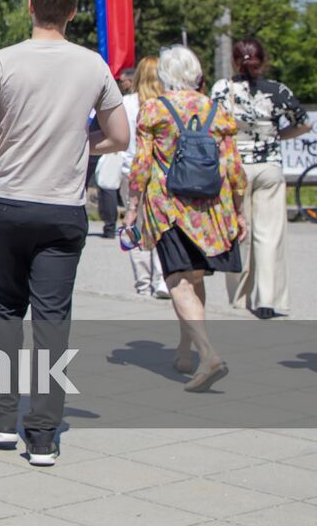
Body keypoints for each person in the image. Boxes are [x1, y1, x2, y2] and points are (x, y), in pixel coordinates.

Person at [0, 0, 128, 467]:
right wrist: (82, 144)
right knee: (53, 320)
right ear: (74, 12)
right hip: (63, 206)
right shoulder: (93, 65)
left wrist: (9, 146)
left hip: (11, 201)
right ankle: (42, 434)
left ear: (30, 5)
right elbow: (119, 136)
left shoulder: (1, 61)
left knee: (5, 309)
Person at [125, 45, 247, 390]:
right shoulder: (218, 111)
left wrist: (132, 209)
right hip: (211, 208)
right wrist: (240, 211)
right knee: (194, 278)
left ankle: (208, 355)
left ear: (165, 75)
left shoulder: (154, 110)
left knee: (178, 280)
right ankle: (184, 351)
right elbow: (234, 168)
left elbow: (142, 166)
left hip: (169, 209)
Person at [211, 37, 311, 319]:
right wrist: (279, 135)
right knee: (269, 235)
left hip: (235, 167)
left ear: (234, 60)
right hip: (269, 166)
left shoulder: (222, 89)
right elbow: (304, 123)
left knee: (238, 232)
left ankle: (239, 298)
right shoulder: (277, 90)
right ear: (263, 60)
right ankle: (266, 299)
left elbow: (212, 124)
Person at [120, 57, 168, 298]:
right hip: (161, 174)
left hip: (129, 171)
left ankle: (142, 283)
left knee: (134, 224)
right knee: (162, 226)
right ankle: (162, 280)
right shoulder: (166, 103)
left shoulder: (127, 103)